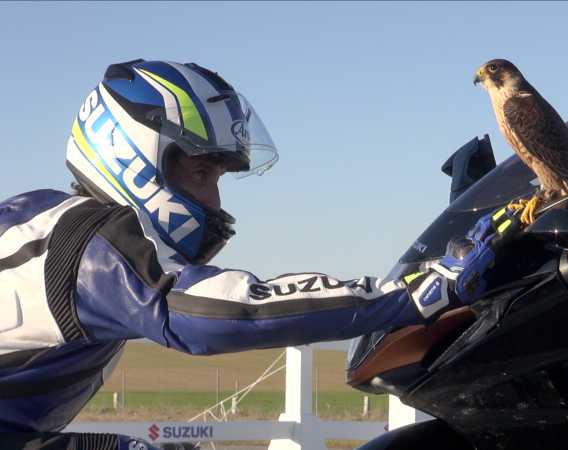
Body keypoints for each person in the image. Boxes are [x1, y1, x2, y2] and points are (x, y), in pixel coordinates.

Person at [0, 59, 497, 450]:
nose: (214, 201)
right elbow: (206, 312)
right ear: (131, 156)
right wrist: (410, 294)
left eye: (217, 179)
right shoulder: (85, 243)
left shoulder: (45, 223)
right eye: (201, 174)